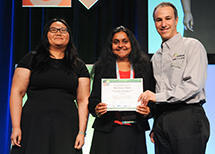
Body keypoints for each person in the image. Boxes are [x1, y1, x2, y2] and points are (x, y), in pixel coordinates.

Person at [10, 18, 90, 154]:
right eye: (53, 30)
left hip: (66, 126)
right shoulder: (31, 59)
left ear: (69, 36)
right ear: (46, 35)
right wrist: (16, 127)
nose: (58, 33)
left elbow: (83, 100)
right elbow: (17, 93)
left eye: (63, 30)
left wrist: (82, 132)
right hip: (33, 123)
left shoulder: (78, 65)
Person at [138, 2, 210, 154]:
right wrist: (157, 123)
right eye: (159, 20)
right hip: (163, 120)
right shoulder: (155, 57)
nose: (163, 24)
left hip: (187, 117)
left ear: (177, 20)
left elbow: (193, 85)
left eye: (168, 18)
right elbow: (158, 90)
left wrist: (157, 97)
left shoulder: (192, 46)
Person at [88, 26, 155, 154]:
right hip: (107, 130)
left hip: (134, 131)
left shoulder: (144, 68)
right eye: (116, 42)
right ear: (111, 45)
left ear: (131, 44)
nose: (120, 45)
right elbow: (93, 100)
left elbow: (152, 99)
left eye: (125, 41)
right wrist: (97, 109)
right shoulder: (102, 68)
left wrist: (148, 111)